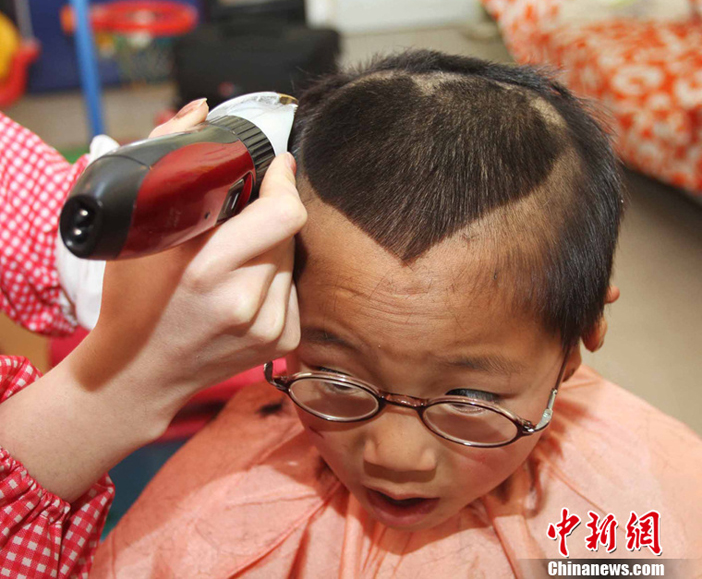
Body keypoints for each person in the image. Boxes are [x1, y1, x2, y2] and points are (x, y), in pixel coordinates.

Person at [1, 50, 700, 578]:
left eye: (469, 399)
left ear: (581, 336)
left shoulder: (632, 531)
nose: (393, 457)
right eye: (335, 381)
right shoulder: (215, 512)